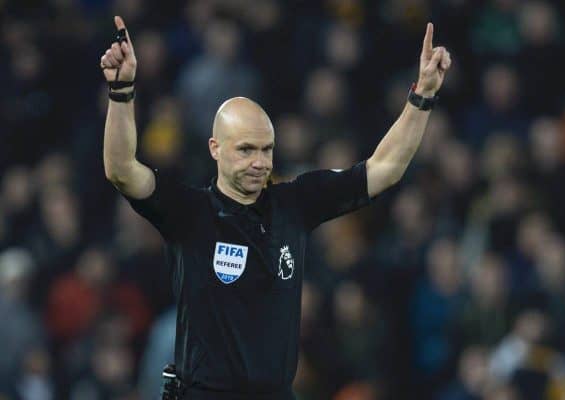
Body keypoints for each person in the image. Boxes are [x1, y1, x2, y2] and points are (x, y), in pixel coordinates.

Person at [100, 15, 451, 400]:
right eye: (246, 149)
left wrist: (422, 97)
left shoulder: (294, 204)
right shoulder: (188, 212)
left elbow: (384, 168)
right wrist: (122, 91)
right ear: (216, 149)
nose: (260, 162)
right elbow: (121, 170)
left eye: (267, 149)